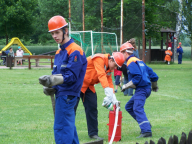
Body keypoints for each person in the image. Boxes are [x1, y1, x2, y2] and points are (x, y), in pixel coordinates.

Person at [39, 15, 87, 144]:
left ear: (65, 31)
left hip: (68, 95)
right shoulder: (59, 52)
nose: (54, 36)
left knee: (62, 128)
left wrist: (52, 80)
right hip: (61, 94)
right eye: (52, 33)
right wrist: (50, 86)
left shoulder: (75, 50)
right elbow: (56, 73)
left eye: (57, 32)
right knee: (68, 128)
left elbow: (71, 76)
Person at [74, 52, 125, 140]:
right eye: (115, 65)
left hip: (89, 86)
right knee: (71, 109)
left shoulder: (109, 68)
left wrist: (113, 97)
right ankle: (68, 132)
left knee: (92, 108)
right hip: (77, 84)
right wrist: (107, 91)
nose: (115, 68)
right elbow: (101, 75)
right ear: (111, 60)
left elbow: (109, 82)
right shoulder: (99, 59)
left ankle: (93, 134)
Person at [120, 41, 159, 138]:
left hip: (141, 89)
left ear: (125, 52)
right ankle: (145, 124)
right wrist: (154, 86)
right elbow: (154, 75)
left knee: (137, 108)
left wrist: (125, 86)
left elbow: (137, 78)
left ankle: (146, 131)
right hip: (145, 89)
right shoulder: (139, 61)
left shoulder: (130, 62)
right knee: (129, 107)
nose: (121, 55)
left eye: (121, 53)